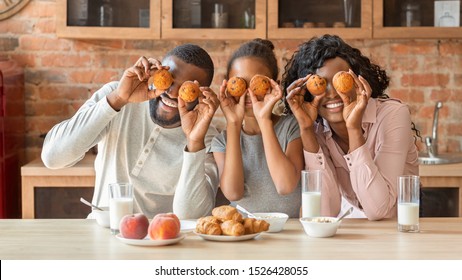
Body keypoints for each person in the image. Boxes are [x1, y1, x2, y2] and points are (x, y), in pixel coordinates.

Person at [41, 44, 220, 219]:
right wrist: (118, 99)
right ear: (157, 73)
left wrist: (194, 142)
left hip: (161, 242)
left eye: (186, 89)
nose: (172, 94)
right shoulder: (117, 95)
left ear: (201, 96)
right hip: (104, 235)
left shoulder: (206, 138)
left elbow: (191, 217)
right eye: (169, 80)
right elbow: (53, 158)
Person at [282, 35, 419, 220]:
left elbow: (379, 210)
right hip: (355, 233)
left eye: (340, 80)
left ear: (357, 81)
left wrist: (353, 128)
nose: (332, 93)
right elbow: (324, 212)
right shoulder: (317, 129)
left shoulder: (393, 115)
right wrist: (306, 130)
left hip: (398, 231)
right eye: (321, 84)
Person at [210, 39, 304, 218]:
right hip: (244, 234)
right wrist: (233, 124)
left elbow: (285, 186)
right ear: (228, 86)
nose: (248, 93)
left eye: (256, 84)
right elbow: (233, 193)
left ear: (274, 86)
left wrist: (264, 120)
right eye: (239, 83)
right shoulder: (222, 141)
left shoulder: (291, 127)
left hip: (287, 234)